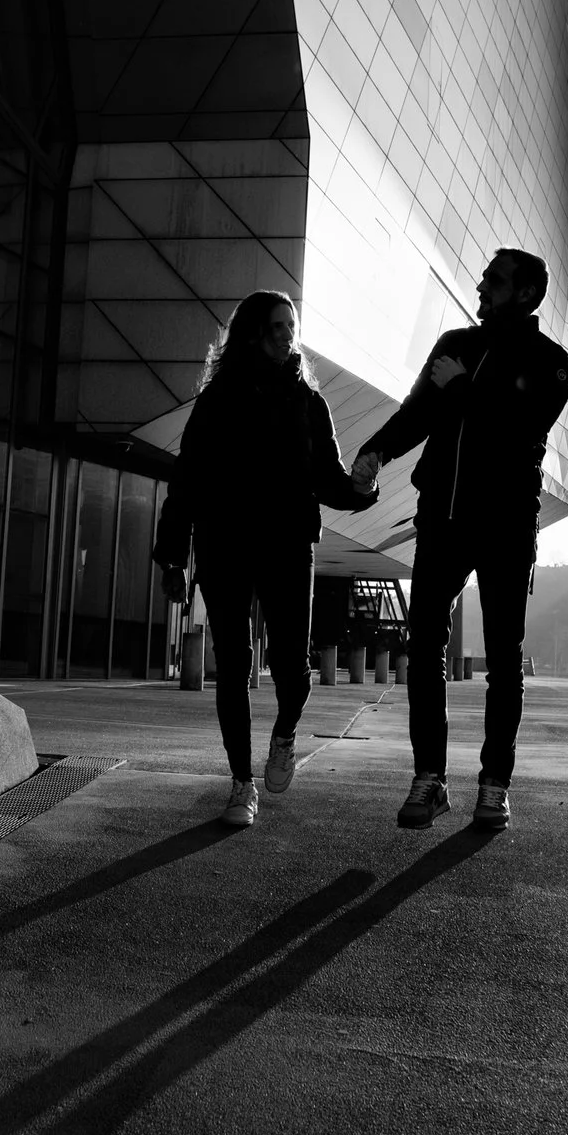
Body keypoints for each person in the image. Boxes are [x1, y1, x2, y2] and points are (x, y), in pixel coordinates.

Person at [351, 249, 568, 831]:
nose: (482, 285)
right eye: (485, 277)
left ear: (525, 294)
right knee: (422, 650)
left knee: (503, 662)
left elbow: (522, 427)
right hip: (444, 519)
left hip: (505, 527)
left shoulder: (551, 362)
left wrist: (464, 391)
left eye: (494, 280)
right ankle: (429, 779)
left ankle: (494, 785)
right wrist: (375, 449)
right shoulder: (455, 342)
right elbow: (417, 412)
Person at [155, 290, 377, 827]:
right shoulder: (217, 400)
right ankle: (240, 784)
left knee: (291, 670)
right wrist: (171, 557)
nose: (287, 333)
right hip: (223, 542)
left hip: (286, 542)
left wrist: (363, 490)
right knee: (232, 667)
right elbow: (186, 482)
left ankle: (283, 736)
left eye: (291, 325)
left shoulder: (308, 402)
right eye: (278, 325)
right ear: (254, 331)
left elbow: (327, 478)